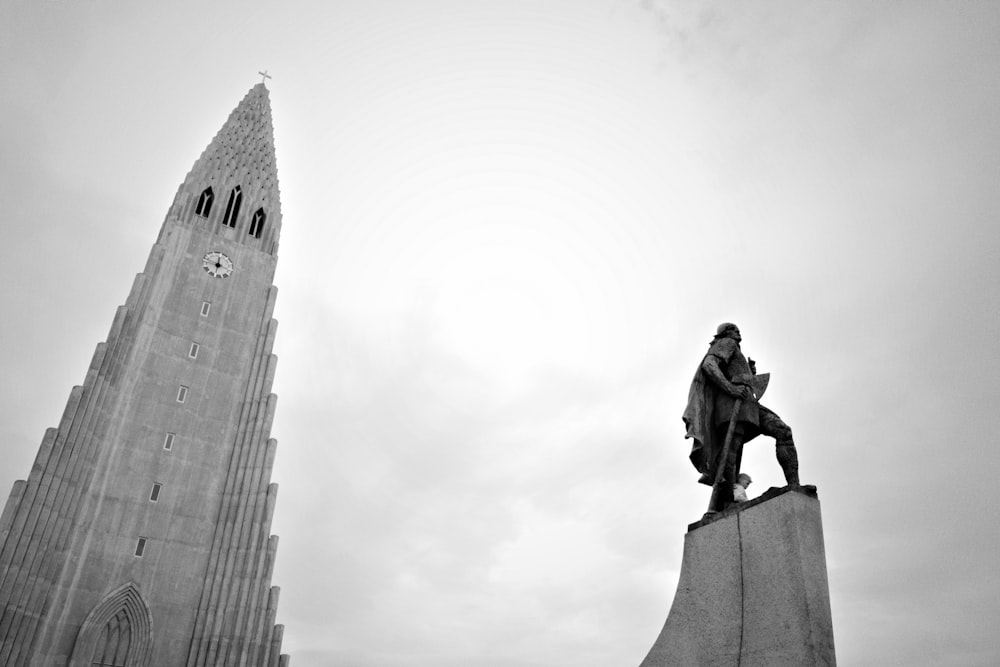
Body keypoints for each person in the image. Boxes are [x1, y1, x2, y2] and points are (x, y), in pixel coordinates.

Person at [683, 323, 800, 512]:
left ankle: (795, 485)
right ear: (723, 334)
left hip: (748, 403)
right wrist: (731, 388)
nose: (737, 331)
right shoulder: (726, 343)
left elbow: (732, 373)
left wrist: (749, 374)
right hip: (732, 405)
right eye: (732, 328)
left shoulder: (734, 349)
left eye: (737, 329)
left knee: (783, 432)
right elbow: (709, 365)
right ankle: (727, 501)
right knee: (731, 454)